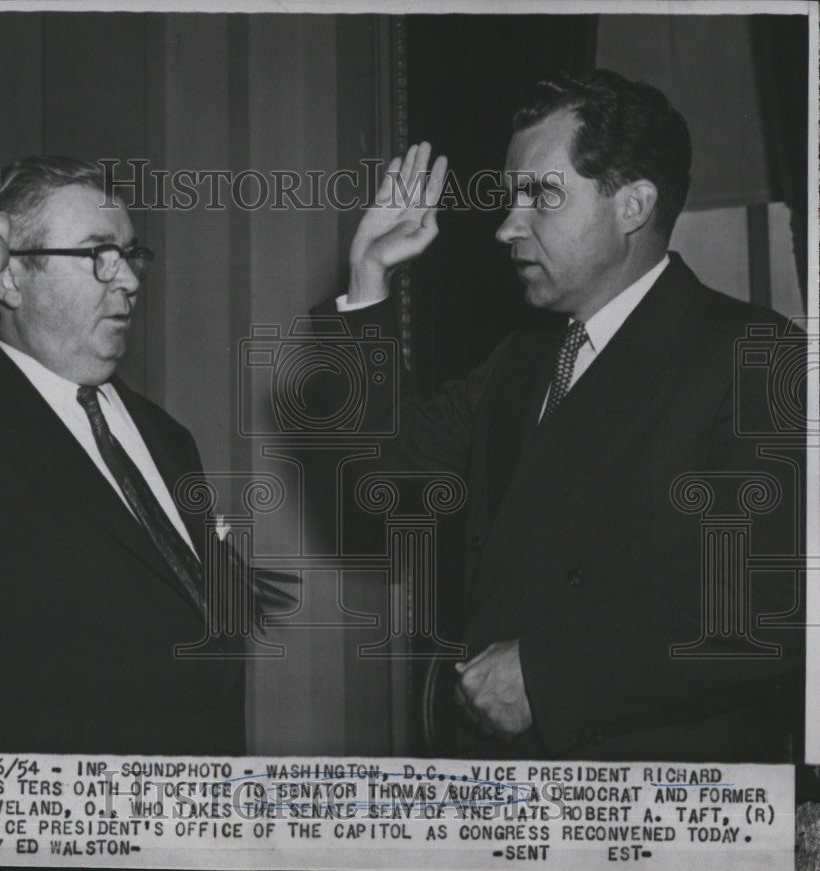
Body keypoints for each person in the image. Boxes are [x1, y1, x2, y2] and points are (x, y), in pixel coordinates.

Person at [326, 69, 804, 761]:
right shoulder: (519, 362)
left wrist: (546, 673)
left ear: (633, 205)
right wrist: (368, 280)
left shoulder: (756, 355)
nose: (506, 226)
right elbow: (380, 479)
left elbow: (773, 606)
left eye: (539, 197)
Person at [0, 140, 246, 754]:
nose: (131, 279)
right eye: (98, 255)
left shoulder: (168, 439)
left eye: (131, 253)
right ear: (9, 275)